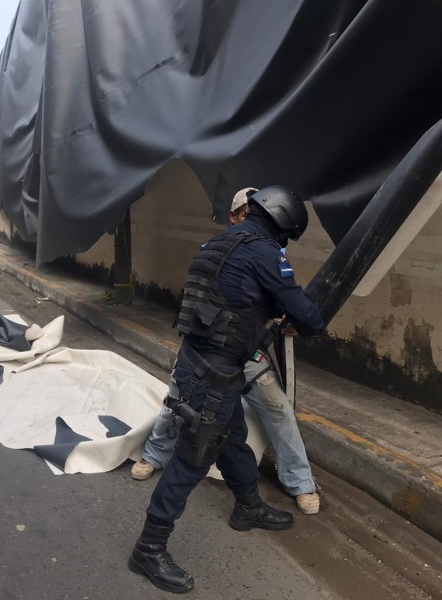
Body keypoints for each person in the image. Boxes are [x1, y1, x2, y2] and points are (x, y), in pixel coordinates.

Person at [128, 186, 324, 593]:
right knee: (194, 455)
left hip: (201, 361)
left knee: (231, 435)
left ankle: (248, 506)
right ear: (284, 224)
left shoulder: (219, 243)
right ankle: (149, 547)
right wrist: (301, 319)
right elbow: (307, 315)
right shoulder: (264, 252)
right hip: (215, 369)